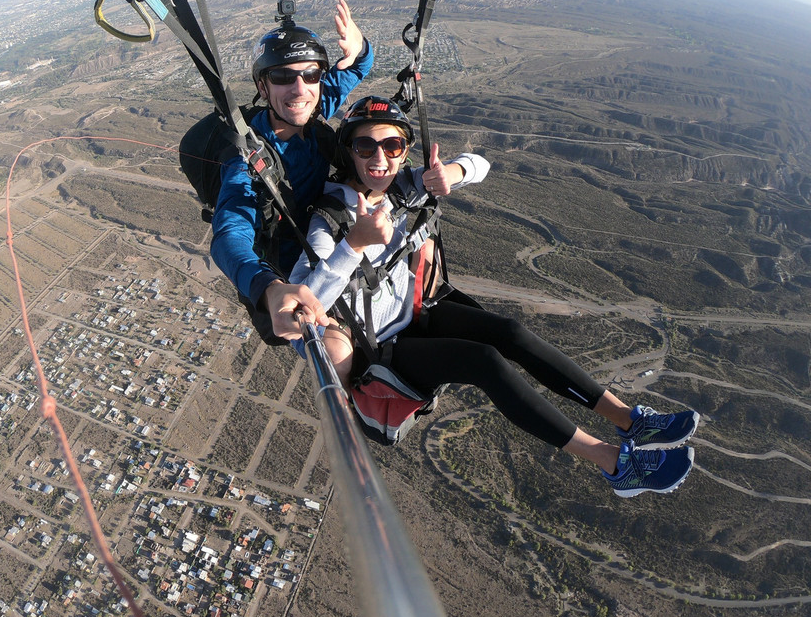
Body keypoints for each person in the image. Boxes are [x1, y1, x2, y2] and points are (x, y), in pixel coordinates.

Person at [290, 95, 700, 497]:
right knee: (484, 361)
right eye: (365, 146)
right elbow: (305, 304)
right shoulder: (330, 218)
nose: (379, 158)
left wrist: (452, 171)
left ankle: (629, 420)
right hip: (382, 348)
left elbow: (481, 164)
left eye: (392, 145)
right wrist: (354, 245)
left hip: (418, 313)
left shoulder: (402, 187)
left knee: (512, 333)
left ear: (405, 151)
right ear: (349, 152)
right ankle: (615, 463)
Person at [210, 0, 373, 341]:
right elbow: (229, 235)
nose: (300, 89)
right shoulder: (249, 160)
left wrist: (359, 48)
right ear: (262, 88)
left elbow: (357, 67)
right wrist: (268, 288)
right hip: (299, 273)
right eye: (283, 76)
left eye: (311, 74)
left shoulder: (309, 109)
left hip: (332, 241)